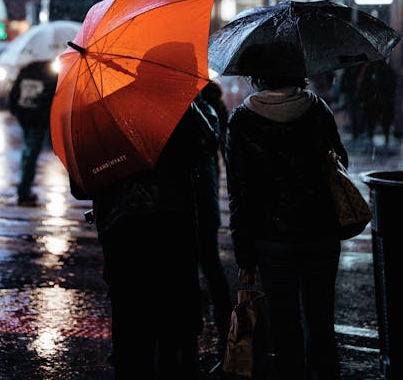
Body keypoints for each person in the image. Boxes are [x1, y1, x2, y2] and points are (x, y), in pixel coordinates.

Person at [70, 46, 219, 380]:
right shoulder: (178, 112)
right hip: (172, 231)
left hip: (123, 234)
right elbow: (208, 144)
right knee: (175, 328)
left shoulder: (104, 110)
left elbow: (81, 186)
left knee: (130, 324)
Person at [225, 42, 348, 380]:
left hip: (272, 236)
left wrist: (244, 257)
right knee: (321, 319)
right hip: (321, 230)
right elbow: (340, 160)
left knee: (284, 322)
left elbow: (240, 193)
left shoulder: (242, 121)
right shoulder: (317, 109)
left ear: (258, 76)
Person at [195, 83, 232, 361]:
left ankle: (218, 326)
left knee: (202, 264)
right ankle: (223, 326)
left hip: (189, 203)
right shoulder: (209, 105)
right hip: (203, 203)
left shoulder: (199, 109)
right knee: (210, 264)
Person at [8, 60, 57, 206]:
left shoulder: (27, 69)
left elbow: (14, 93)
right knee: (31, 152)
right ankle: (24, 191)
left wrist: (16, 111)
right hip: (37, 118)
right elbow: (52, 97)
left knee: (29, 152)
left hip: (25, 116)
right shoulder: (50, 74)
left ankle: (24, 188)